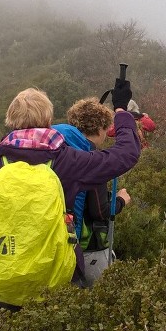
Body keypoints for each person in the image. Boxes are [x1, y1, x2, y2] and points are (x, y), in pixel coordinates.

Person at [0, 84, 139, 301]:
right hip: (57, 281)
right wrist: (121, 111)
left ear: (10, 121)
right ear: (48, 121)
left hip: (6, 284)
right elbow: (126, 154)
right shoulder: (67, 160)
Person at [52, 97, 132, 249]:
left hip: (51, 235)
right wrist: (121, 200)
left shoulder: (58, 149)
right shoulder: (91, 157)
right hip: (82, 243)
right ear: (100, 128)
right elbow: (100, 212)